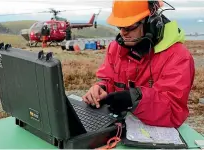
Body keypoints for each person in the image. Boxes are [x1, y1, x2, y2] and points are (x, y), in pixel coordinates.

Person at [82, 0, 195, 128]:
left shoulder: (178, 56)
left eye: (129, 27)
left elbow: (174, 112)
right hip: (119, 127)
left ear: (152, 23)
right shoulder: (115, 48)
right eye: (119, 27)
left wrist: (134, 99)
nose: (123, 33)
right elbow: (108, 81)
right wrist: (101, 89)